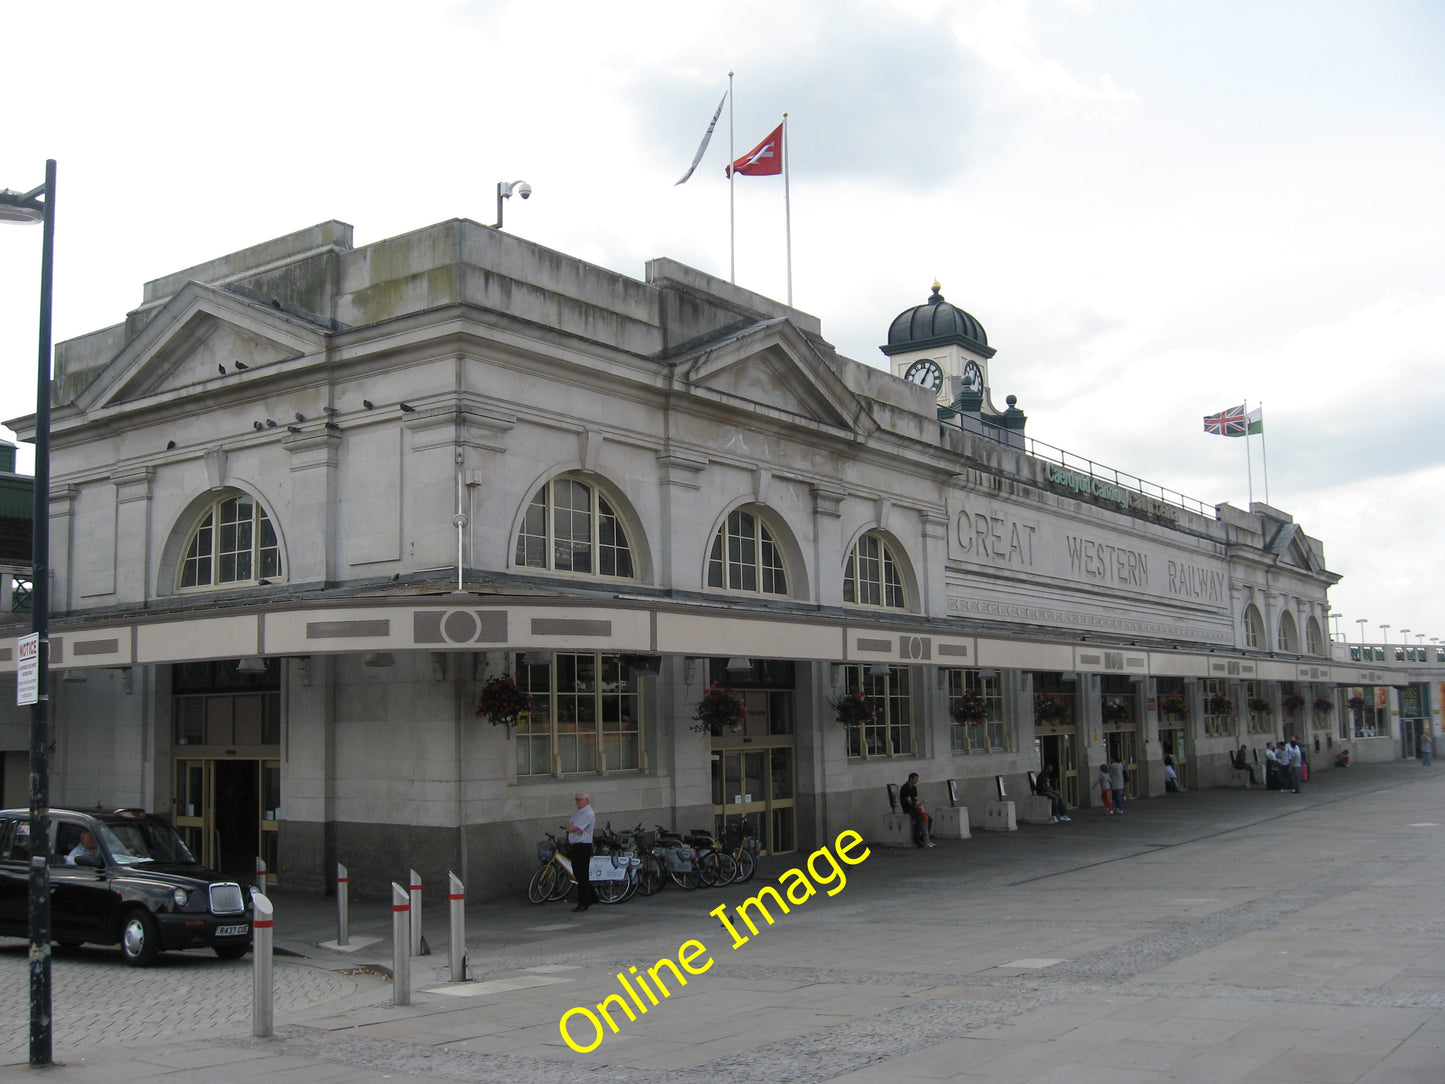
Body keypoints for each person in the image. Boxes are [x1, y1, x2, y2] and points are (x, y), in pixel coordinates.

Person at [564, 791, 596, 912]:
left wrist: (572, 827)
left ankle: (583, 902)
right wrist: (571, 827)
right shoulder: (579, 813)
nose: (577, 801)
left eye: (579, 799)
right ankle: (592, 897)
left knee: (581, 874)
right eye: (576, 799)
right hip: (576, 845)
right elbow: (569, 826)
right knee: (578, 873)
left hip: (582, 846)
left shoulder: (588, 813)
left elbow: (574, 828)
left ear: (587, 801)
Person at [899, 772, 934, 847]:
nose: (917, 781)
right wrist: (915, 805)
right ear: (911, 779)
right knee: (919, 820)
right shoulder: (905, 788)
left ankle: (923, 837)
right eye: (915, 779)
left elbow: (915, 799)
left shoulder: (914, 788)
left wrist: (919, 804)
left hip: (915, 808)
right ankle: (916, 838)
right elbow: (909, 801)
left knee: (928, 818)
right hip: (908, 809)